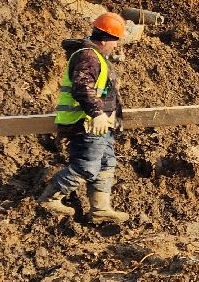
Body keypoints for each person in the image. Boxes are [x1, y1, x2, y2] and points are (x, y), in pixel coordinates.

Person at [35, 12, 130, 223]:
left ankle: (100, 209)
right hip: (85, 124)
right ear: (104, 40)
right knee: (86, 166)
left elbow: (104, 91)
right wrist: (96, 113)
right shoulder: (87, 56)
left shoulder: (98, 58)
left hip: (100, 125)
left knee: (106, 164)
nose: (116, 47)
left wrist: (112, 115)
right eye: (115, 42)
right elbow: (82, 87)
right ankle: (49, 198)